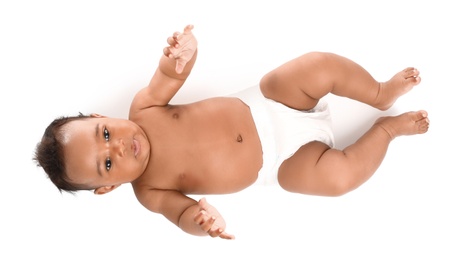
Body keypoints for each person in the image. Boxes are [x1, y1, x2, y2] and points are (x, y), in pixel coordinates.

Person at [33, 25, 429, 240]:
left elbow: (170, 75)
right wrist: (202, 222)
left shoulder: (145, 107)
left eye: (105, 134)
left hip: (271, 102)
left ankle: (379, 93)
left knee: (317, 64)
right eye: (106, 163)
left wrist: (179, 55)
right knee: (339, 179)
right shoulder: (150, 192)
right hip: (284, 163)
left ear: (103, 116)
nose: (119, 147)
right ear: (109, 187)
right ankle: (387, 130)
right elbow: (183, 215)